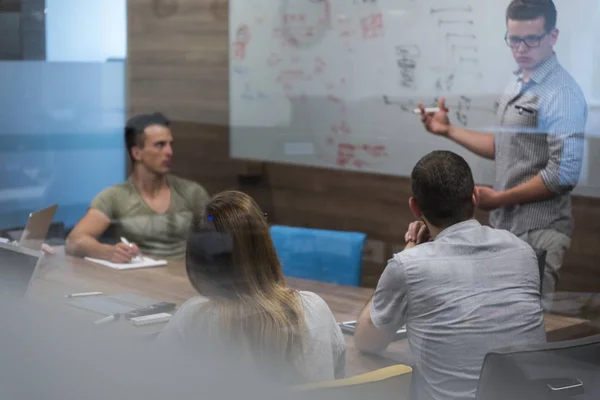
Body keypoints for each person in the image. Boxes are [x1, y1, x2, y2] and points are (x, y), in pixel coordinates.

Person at [418, 0, 586, 311]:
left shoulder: (560, 92)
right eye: (513, 39)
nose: (521, 48)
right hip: (508, 227)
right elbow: (504, 146)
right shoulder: (518, 81)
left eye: (531, 39)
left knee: (525, 324)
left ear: (553, 36)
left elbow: (564, 173)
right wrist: (447, 130)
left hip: (539, 231)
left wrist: (500, 198)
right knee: (498, 316)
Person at [354, 151, 546, 400]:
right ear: (475, 196)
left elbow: (367, 341)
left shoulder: (410, 265)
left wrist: (411, 248)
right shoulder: (522, 251)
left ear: (415, 207)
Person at [157, 190, 346, 384]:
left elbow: (155, 384)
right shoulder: (315, 309)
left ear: (196, 260)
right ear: (265, 247)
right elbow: (338, 381)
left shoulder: (194, 318)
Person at [66, 112, 209, 262]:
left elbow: (219, 233)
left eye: (170, 144)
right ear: (137, 153)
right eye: (160, 145)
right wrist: (107, 252)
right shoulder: (114, 197)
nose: (169, 152)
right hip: (140, 278)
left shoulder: (192, 192)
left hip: (185, 277)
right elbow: (74, 241)